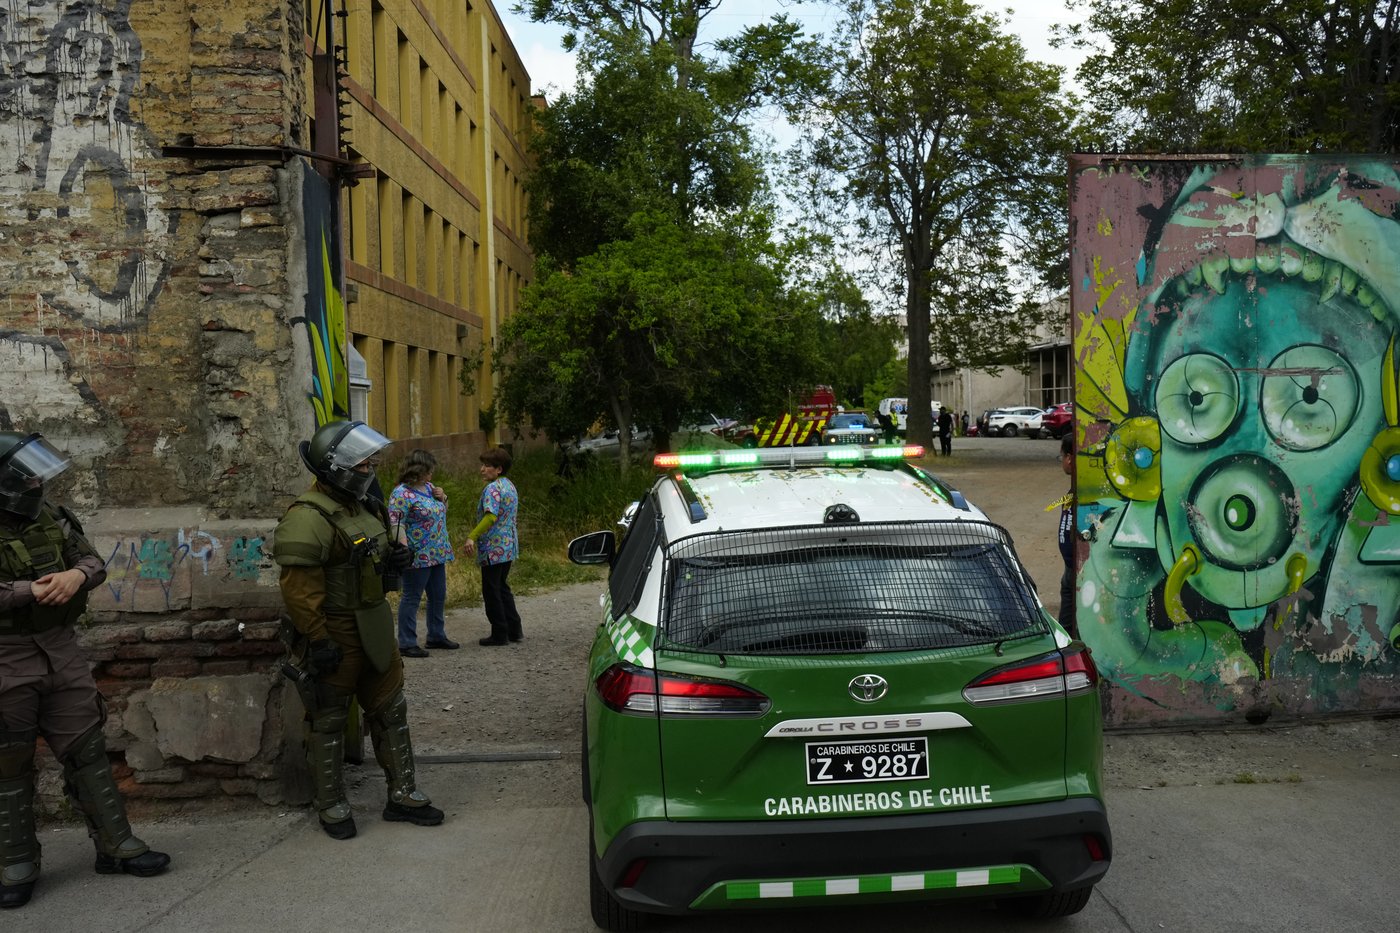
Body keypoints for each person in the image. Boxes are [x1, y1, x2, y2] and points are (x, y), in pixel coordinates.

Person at [0, 432, 170, 909]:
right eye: (25, 477)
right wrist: (27, 592)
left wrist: (77, 575)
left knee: (87, 749)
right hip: (6, 657)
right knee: (9, 764)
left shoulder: (52, 516)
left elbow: (92, 561)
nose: (36, 483)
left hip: (60, 651)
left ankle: (116, 846)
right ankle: (16, 862)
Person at [273, 420, 444, 839]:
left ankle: (403, 794)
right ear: (336, 468)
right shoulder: (307, 517)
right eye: (362, 464)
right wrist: (318, 639)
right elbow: (299, 590)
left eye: (370, 462)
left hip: (375, 625)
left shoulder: (364, 506)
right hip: (336, 631)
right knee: (329, 720)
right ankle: (331, 804)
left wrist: (395, 561)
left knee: (391, 710)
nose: (370, 468)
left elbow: (375, 559)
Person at [387, 450, 456, 657]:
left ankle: (436, 635)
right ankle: (407, 642)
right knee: (412, 597)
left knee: (438, 595)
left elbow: (441, 512)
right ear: (417, 470)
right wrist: (404, 549)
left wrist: (443, 498)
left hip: (437, 552)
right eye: (428, 471)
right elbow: (396, 523)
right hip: (417, 555)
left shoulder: (429, 488)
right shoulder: (401, 494)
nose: (431, 475)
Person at [463, 447, 521, 646]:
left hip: (494, 547)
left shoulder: (493, 489)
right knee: (502, 587)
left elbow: (490, 517)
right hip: (509, 545)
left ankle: (499, 633)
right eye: (482, 465)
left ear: (499, 469)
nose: (482, 469)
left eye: (487, 466)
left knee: (491, 590)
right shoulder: (509, 485)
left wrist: (472, 536)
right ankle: (514, 629)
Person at [1058, 433, 1079, 639]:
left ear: (1070, 458)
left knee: (1069, 627)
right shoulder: (1073, 489)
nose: (1062, 461)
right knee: (1066, 624)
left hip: (1077, 569)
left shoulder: (1083, 490)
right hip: (1070, 569)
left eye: (1062, 456)